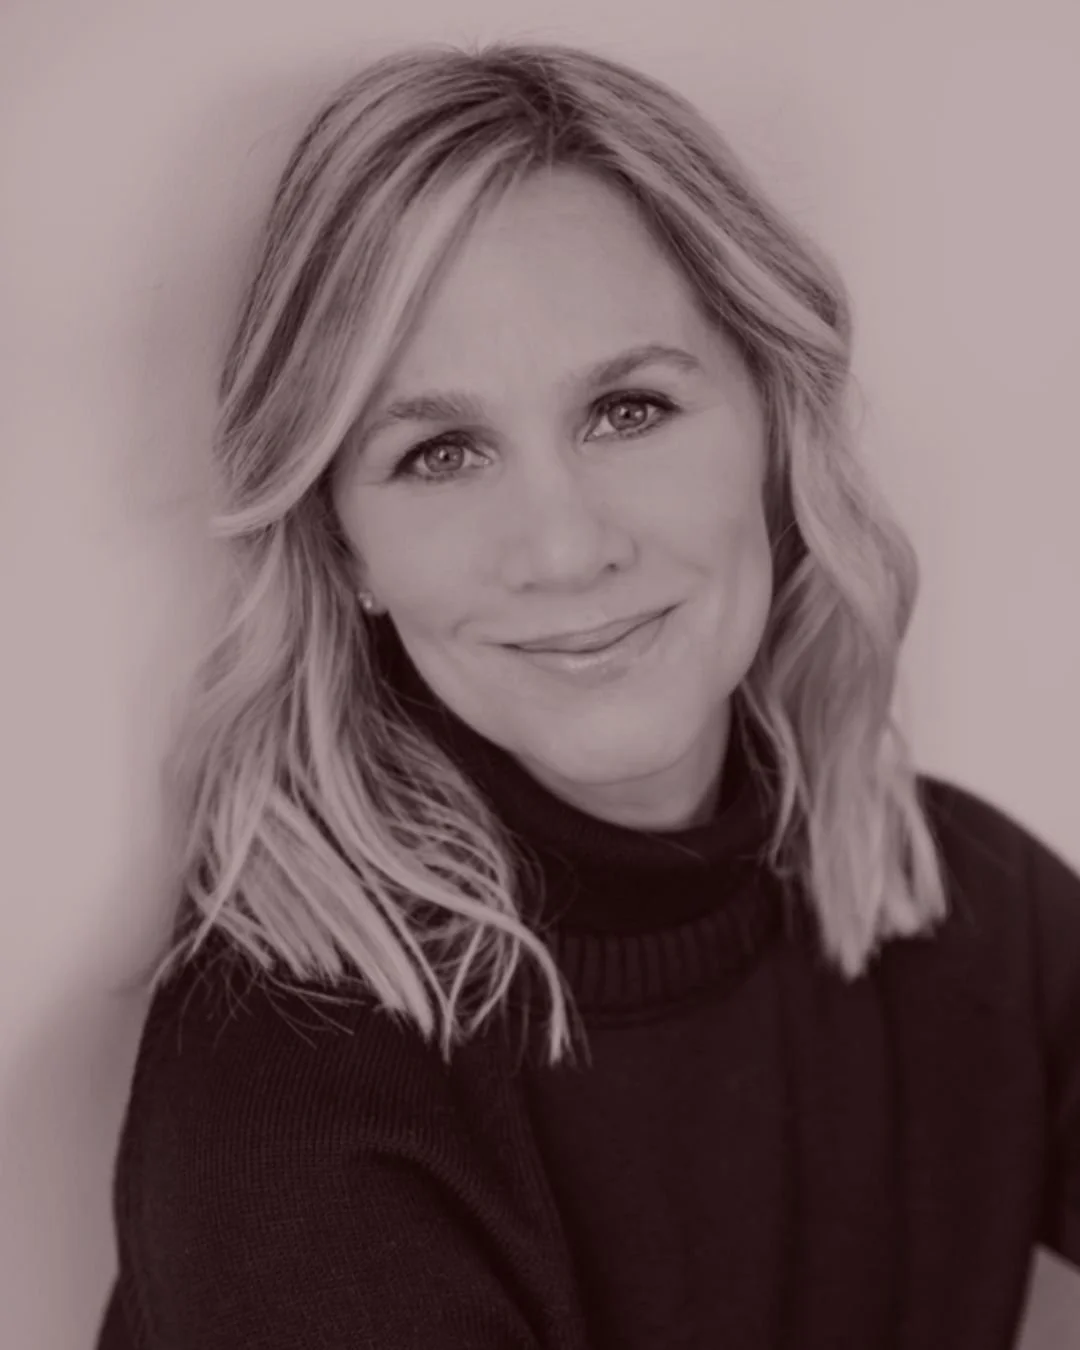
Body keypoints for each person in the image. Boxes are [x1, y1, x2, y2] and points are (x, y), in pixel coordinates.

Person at [94, 38, 1080, 1350]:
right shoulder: (296, 1075)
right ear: (345, 548)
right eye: (440, 452)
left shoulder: (960, 900)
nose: (565, 547)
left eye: (628, 408)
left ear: (776, 428)